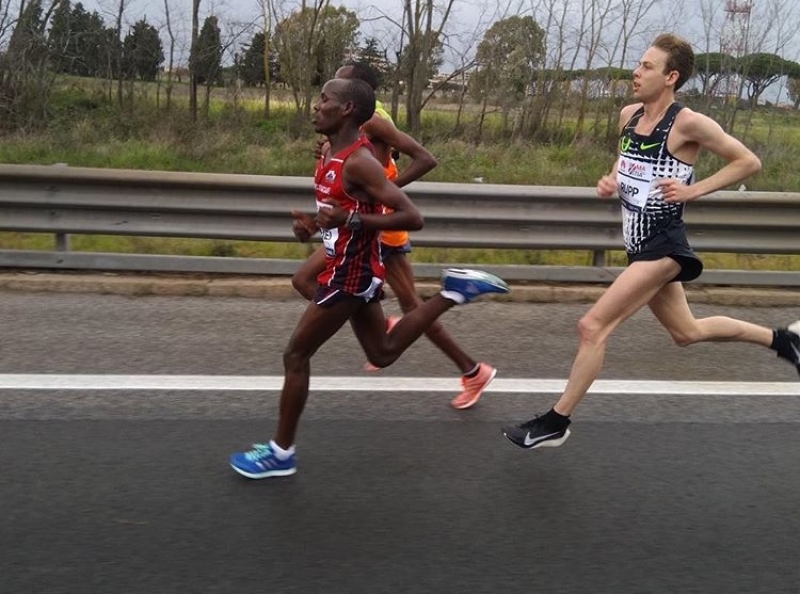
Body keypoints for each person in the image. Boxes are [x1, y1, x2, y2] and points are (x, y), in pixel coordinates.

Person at [502, 33, 800, 450]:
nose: (635, 72)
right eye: (638, 64)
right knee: (687, 332)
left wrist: (694, 190)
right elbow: (628, 160)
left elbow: (749, 161)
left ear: (670, 77)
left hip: (664, 245)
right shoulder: (629, 115)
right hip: (638, 246)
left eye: (646, 66)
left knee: (592, 326)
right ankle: (784, 340)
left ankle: (556, 421)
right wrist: (612, 179)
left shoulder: (688, 123)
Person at [229, 77, 509, 478]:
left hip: (350, 273)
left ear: (345, 110)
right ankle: (454, 292)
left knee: (295, 355)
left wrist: (349, 219)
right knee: (382, 353)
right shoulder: (330, 153)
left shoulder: (360, 161)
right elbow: (339, 212)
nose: (316, 105)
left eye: (324, 99)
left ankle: (280, 454)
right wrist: (312, 228)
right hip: (350, 265)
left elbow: (413, 217)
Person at [291, 60, 497, 410]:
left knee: (411, 309)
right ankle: (363, 309)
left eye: (336, 87)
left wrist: (382, 189)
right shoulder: (346, 133)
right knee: (305, 280)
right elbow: (341, 191)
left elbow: (424, 159)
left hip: (380, 229)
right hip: (353, 231)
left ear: (352, 99)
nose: (324, 96)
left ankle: (472, 369)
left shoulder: (372, 122)